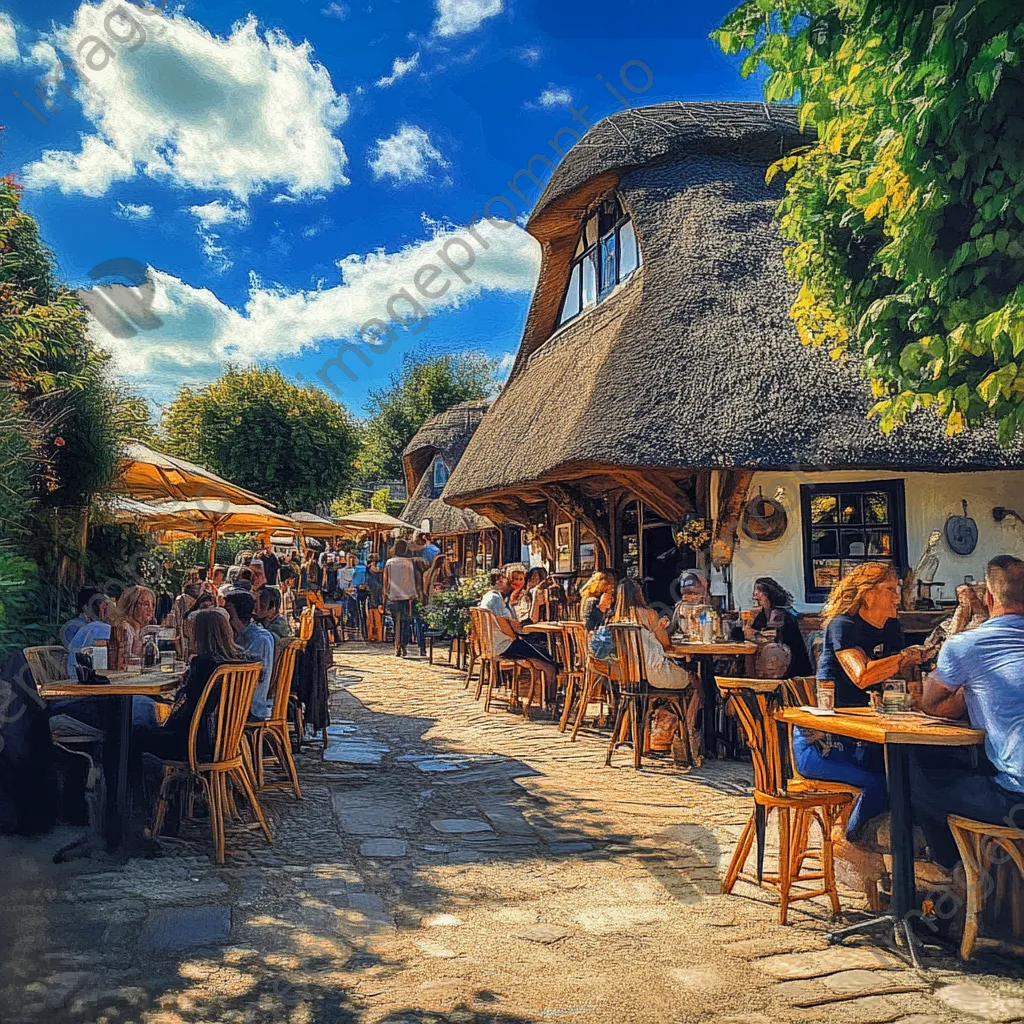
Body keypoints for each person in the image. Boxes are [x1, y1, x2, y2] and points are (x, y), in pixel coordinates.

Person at [793, 562, 925, 840]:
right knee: (884, 781)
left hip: (864, 737)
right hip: (824, 743)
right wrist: (905, 657)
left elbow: (899, 685)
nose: (897, 597)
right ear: (868, 594)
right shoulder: (844, 625)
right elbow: (862, 676)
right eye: (890, 589)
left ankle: (907, 856)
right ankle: (852, 845)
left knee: (919, 771)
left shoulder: (891, 628)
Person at [910, 555, 1024, 869]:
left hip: (1017, 800)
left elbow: (931, 705)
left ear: (988, 598)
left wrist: (971, 692)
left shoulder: (966, 645)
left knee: (914, 775)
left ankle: (950, 872)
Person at [136, 608, 245, 762]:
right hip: (226, 740)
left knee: (129, 734)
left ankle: (129, 786)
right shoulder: (241, 664)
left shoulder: (204, 666)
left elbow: (187, 710)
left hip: (193, 742)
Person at [478, 570, 557, 694]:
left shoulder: (489, 597)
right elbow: (504, 625)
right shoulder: (496, 599)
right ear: (498, 581)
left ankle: (535, 693)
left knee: (542, 654)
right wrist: (516, 636)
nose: (510, 582)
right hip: (504, 645)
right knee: (550, 664)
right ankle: (549, 700)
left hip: (494, 645)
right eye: (506, 578)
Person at [223, 590, 275, 720]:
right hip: (237, 704)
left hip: (250, 708)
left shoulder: (260, 639)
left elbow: (254, 678)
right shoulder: (239, 636)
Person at [748, 576, 813, 677]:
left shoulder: (779, 612)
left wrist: (757, 635)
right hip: (777, 655)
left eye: (758, 591)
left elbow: (771, 635)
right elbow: (753, 630)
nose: (755, 595)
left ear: (768, 593)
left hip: (788, 661)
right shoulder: (765, 611)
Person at [924, 581, 989, 649]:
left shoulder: (982, 623)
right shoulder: (947, 624)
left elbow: (953, 643)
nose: (962, 601)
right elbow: (928, 645)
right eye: (960, 598)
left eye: (972, 599)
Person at [383, 540, 420, 657]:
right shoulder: (410, 562)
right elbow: (414, 579)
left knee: (396, 622)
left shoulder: (390, 562)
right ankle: (403, 644)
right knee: (405, 621)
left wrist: (384, 594)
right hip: (407, 596)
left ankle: (397, 644)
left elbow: (386, 580)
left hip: (393, 595)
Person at [667, 570, 711, 639]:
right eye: (685, 594)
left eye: (693, 593)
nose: (687, 597)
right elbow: (673, 627)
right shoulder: (680, 608)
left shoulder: (706, 609)